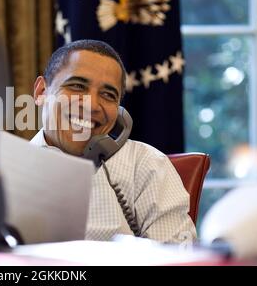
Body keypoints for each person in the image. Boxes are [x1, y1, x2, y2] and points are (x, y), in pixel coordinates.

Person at [30, 39, 196, 243]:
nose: (91, 105)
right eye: (77, 86)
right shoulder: (2, 168)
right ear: (41, 93)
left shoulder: (146, 164)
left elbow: (176, 258)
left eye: (108, 95)